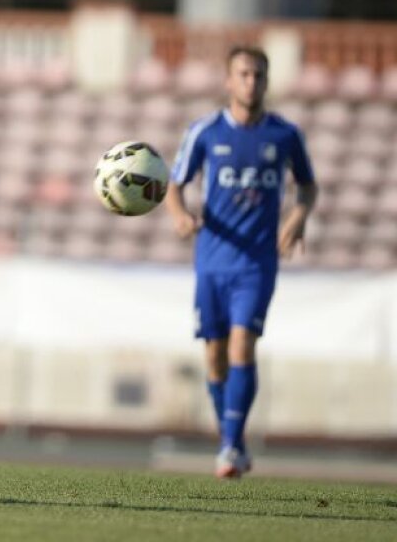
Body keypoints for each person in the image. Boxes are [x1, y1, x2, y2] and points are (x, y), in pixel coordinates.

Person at [164, 45, 317, 479]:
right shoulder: (205, 132)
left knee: (241, 346)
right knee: (214, 357)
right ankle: (232, 438)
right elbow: (175, 185)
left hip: (257, 262)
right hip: (212, 260)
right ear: (228, 81)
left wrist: (298, 217)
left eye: (258, 75)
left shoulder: (285, 135)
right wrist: (180, 217)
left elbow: (307, 186)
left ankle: (230, 446)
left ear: (267, 82)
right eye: (244, 74)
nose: (251, 83)